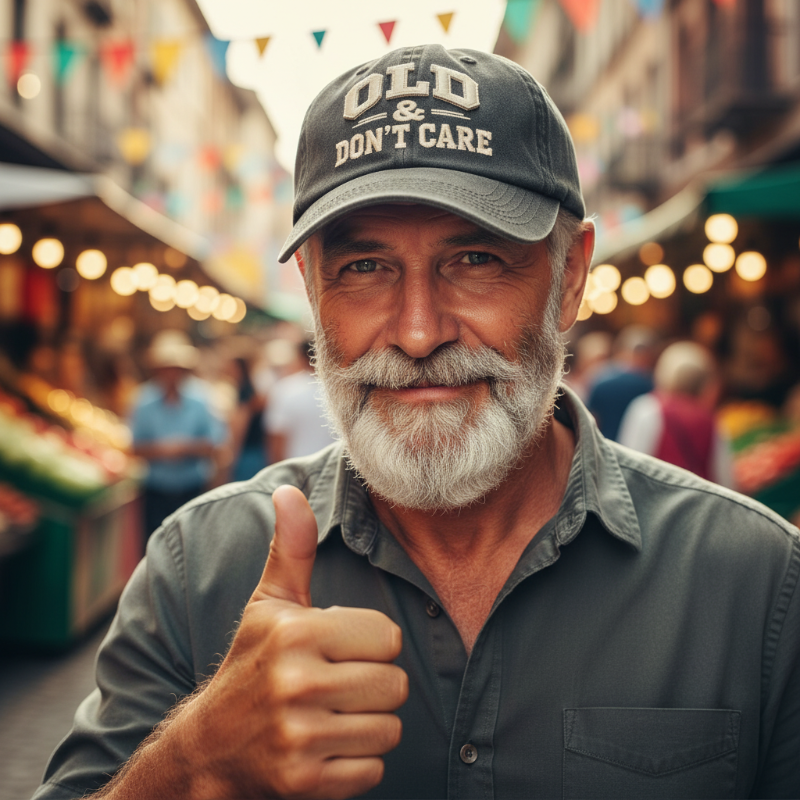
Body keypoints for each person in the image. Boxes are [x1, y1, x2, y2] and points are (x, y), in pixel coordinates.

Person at [35, 45, 798, 800]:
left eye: (474, 259)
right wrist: (196, 764)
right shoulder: (196, 569)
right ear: (311, 291)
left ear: (569, 280)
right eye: (366, 268)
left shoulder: (758, 586)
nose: (418, 332)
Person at [129, 331, 224, 544]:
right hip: (155, 490)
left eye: (176, 367)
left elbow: (214, 444)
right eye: (166, 367)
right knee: (154, 545)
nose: (171, 373)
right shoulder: (143, 401)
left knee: (190, 545)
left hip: (191, 488)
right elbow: (134, 447)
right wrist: (161, 450)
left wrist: (184, 449)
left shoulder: (201, 399)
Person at [618, 341, 736, 488]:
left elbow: (629, 469)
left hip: (654, 502)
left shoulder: (647, 408)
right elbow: (725, 479)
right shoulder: (710, 419)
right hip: (697, 505)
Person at [266, 339, 336, 462]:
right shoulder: (340, 391)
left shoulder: (285, 389)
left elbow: (276, 438)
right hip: (334, 467)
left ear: (301, 358)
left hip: (295, 468)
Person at [586, 324, 658, 440]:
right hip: (636, 449)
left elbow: (591, 420)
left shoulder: (599, 379)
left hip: (604, 444)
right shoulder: (650, 383)